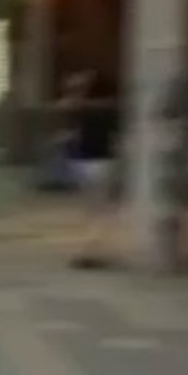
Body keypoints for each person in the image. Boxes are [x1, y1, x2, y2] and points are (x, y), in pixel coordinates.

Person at [60, 70, 123, 269]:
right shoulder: (112, 110)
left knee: (89, 211)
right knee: (101, 211)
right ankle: (92, 252)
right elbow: (118, 139)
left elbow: (65, 108)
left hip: (82, 162)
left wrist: (75, 88)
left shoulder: (80, 108)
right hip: (104, 162)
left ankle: (87, 252)